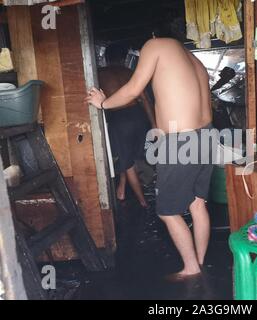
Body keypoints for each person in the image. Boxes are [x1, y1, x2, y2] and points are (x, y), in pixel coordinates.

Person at [86, 28, 215, 280]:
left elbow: (134, 89)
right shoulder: (192, 58)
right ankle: (199, 262)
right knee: (198, 205)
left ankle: (191, 268)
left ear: (153, 36)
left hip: (181, 140)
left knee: (167, 211)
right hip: (207, 135)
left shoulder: (155, 46)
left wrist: (102, 103)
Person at [98, 44, 156, 208]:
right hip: (138, 115)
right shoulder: (130, 73)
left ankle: (143, 202)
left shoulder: (99, 74)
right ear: (124, 58)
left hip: (119, 118)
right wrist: (153, 124)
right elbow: (145, 99)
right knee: (128, 156)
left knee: (126, 161)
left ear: (106, 58)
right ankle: (122, 188)